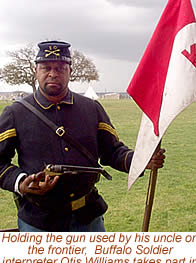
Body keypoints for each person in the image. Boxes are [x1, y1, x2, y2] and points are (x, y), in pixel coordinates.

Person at [0, 40, 165, 232]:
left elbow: (112, 151)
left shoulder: (91, 108)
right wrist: (21, 182)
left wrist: (141, 160)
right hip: (38, 222)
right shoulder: (15, 113)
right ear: (36, 70)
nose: (53, 73)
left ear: (70, 71)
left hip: (88, 219)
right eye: (46, 67)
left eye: (61, 68)